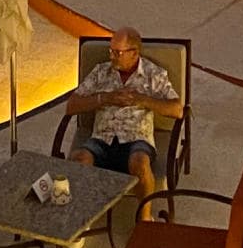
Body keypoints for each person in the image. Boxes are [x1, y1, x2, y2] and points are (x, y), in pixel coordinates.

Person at [66, 28, 182, 205]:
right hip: (102, 139)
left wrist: (141, 100)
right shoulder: (101, 72)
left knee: (140, 163)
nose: (111, 56)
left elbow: (177, 109)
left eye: (117, 52)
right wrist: (105, 98)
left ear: (134, 53)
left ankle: (144, 220)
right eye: (110, 50)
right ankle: (80, 213)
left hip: (136, 139)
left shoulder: (153, 75)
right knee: (79, 159)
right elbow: (71, 106)